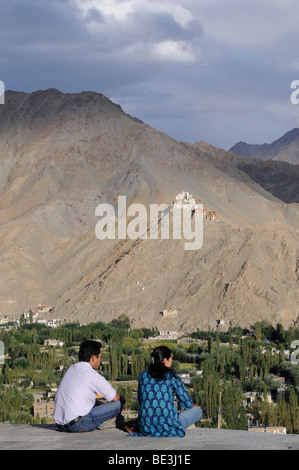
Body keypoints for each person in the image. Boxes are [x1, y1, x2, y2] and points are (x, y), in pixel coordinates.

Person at [53, 340, 125, 432]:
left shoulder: (72, 368)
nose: (100, 360)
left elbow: (85, 400)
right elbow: (115, 397)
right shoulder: (91, 374)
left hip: (61, 425)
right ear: (93, 358)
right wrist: (123, 400)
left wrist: (101, 405)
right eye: (99, 357)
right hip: (78, 425)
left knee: (97, 403)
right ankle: (104, 422)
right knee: (118, 404)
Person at [129, 346, 202, 437]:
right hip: (168, 426)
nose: (171, 362)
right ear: (164, 360)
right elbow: (187, 403)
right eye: (170, 359)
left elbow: (141, 400)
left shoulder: (143, 375)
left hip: (145, 425)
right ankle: (185, 424)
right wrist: (193, 406)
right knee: (198, 411)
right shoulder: (171, 375)